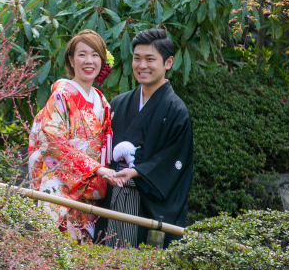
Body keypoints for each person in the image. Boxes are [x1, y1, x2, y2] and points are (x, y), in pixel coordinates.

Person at [96, 28, 193, 248]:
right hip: (112, 196)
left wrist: (136, 171)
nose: (142, 65)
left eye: (150, 59)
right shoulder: (119, 103)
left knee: (137, 261)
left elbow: (173, 159)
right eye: (137, 58)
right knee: (106, 259)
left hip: (145, 202)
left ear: (168, 62)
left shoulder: (176, 110)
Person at [28, 30, 122, 240]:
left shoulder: (102, 102)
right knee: (59, 251)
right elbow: (52, 141)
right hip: (61, 189)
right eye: (82, 54)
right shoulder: (61, 95)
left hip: (90, 193)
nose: (89, 61)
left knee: (84, 255)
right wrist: (96, 169)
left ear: (102, 60)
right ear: (71, 60)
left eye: (95, 55)